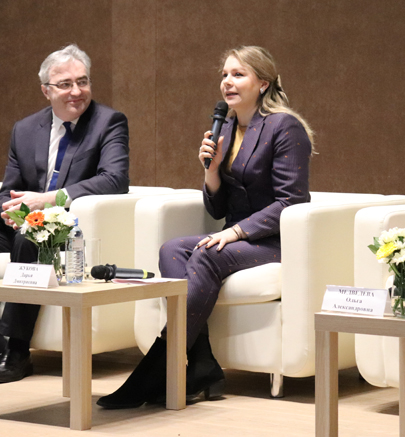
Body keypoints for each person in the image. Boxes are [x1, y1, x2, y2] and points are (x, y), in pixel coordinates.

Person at [98, 45, 314, 409]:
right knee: (171, 249)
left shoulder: (284, 126)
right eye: (224, 75)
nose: (227, 82)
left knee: (206, 255)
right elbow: (217, 209)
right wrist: (211, 172)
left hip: (274, 239)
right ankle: (201, 363)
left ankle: (161, 362)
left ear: (263, 83)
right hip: (238, 235)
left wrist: (235, 232)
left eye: (238, 74)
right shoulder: (226, 128)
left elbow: (291, 201)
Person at [0, 44, 129, 382]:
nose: (76, 91)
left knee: (30, 240)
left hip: (72, 229)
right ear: (46, 91)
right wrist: (10, 212)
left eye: (82, 81)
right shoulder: (25, 129)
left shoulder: (108, 122)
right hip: (30, 223)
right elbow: (7, 190)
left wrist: (49, 200)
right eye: (65, 84)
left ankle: (17, 351)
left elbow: (115, 179)